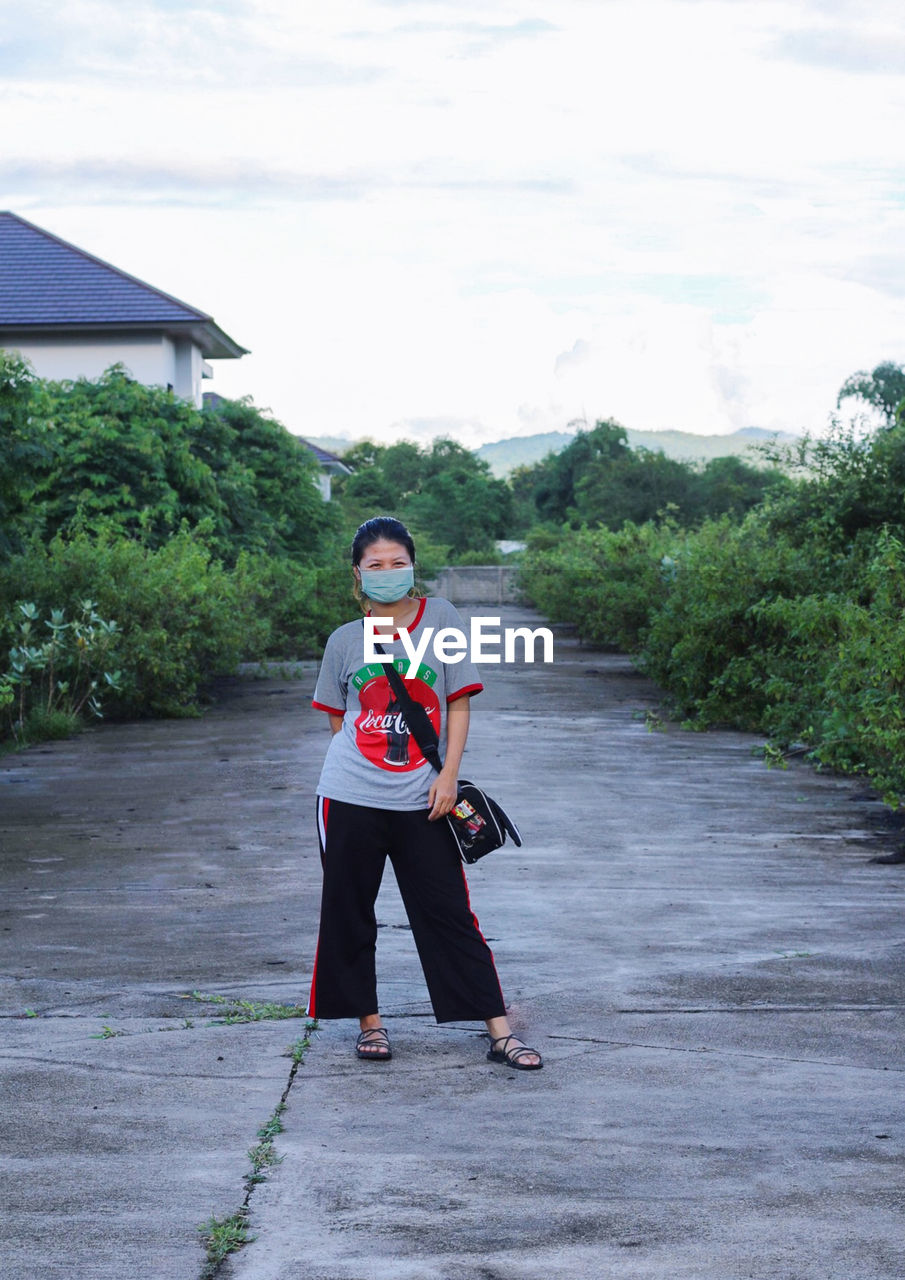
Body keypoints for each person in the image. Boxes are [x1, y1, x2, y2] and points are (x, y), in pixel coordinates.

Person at [306, 515, 543, 1070]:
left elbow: (457, 702)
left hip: (426, 796)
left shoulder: (442, 619)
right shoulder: (344, 641)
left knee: (449, 913)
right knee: (349, 910)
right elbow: (337, 720)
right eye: (375, 565)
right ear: (358, 574)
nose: (387, 573)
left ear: (412, 566)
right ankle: (370, 1025)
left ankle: (499, 1031)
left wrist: (447, 775)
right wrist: (364, 770)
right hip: (348, 795)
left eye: (398, 563)